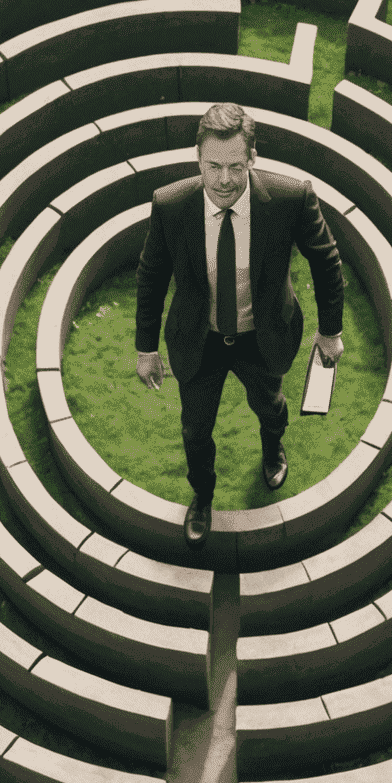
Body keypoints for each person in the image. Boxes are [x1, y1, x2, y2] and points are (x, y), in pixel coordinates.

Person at [134, 101, 346, 547]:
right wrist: (146, 347)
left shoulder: (292, 198)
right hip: (199, 340)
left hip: (262, 337)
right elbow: (151, 276)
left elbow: (327, 260)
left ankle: (273, 446)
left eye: (235, 165)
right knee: (195, 427)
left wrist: (330, 331)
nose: (225, 179)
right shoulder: (170, 205)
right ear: (198, 159)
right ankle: (203, 496)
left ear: (252, 157)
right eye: (213, 166)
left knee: (270, 406)